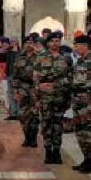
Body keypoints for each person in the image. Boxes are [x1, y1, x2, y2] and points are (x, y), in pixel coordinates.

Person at [33, 31, 73, 164]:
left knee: (58, 126)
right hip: (45, 98)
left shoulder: (66, 58)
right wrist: (37, 98)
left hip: (60, 96)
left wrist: (58, 85)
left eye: (58, 41)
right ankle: (48, 152)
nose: (56, 43)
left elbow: (70, 77)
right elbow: (36, 78)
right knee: (46, 125)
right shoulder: (40, 57)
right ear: (48, 43)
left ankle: (56, 151)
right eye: (53, 41)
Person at [69, 35, 91, 173]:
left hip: (89, 101)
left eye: (77, 45)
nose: (75, 48)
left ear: (84, 45)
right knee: (81, 131)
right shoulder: (80, 61)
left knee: (90, 132)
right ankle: (86, 159)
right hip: (78, 101)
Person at [12, 36, 40, 147]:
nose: (29, 45)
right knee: (23, 115)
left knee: (35, 115)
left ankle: (33, 138)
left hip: (35, 88)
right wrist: (15, 91)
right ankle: (27, 137)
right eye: (27, 42)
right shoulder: (19, 58)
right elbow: (15, 76)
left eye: (31, 42)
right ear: (24, 44)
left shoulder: (39, 57)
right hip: (23, 88)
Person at [1, 37, 19, 120]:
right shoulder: (9, 52)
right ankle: (13, 113)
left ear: (17, 42)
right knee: (10, 94)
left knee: (17, 94)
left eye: (13, 41)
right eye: (11, 42)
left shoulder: (20, 52)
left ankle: (18, 113)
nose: (12, 43)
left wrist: (15, 51)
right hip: (9, 75)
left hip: (17, 77)